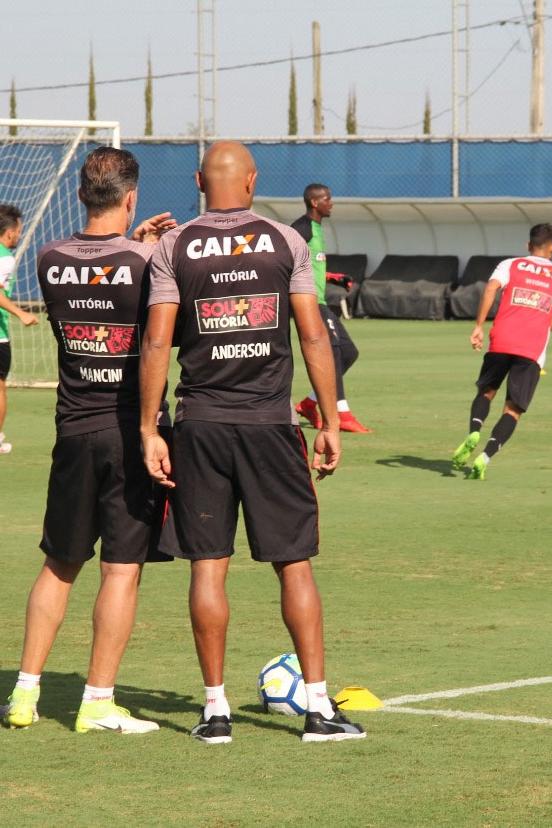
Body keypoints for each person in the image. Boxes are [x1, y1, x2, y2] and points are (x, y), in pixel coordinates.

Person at [139, 142, 365, 744]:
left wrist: (147, 427)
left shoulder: (173, 245)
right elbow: (314, 335)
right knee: (294, 564)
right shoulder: (284, 240)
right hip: (270, 425)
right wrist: (328, 419)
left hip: (200, 426)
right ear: (253, 181)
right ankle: (318, 709)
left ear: (197, 181)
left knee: (208, 567)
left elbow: (156, 344)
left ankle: (216, 713)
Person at [1, 148, 177, 733]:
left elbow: (101, 270)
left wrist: (139, 243)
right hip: (129, 431)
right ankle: (97, 700)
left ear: (81, 196)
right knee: (121, 569)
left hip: (73, 429)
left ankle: (24, 694)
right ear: (131, 198)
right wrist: (149, 245)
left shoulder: (50, 259)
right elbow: (151, 314)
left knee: (59, 563)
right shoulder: (150, 261)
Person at [451, 223, 552, 480]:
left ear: (528, 246)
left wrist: (479, 326)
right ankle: (485, 456)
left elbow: (491, 288)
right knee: (512, 410)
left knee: (486, 391)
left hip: (502, 339)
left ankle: (473, 430)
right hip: (531, 349)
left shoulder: (511, 264)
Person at [291, 183, 371, 433]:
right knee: (334, 351)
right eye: (327, 199)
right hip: (308, 303)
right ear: (315, 203)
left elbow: (310, 265)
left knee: (348, 353)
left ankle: (309, 402)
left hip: (320, 301)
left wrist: (333, 276)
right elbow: (285, 259)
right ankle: (341, 413)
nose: (331, 203)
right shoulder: (301, 228)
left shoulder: (317, 228)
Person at [0, 204, 40, 454]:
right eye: (19, 231)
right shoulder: (5, 257)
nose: (19, 235)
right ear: (9, 232)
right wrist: (21, 313)